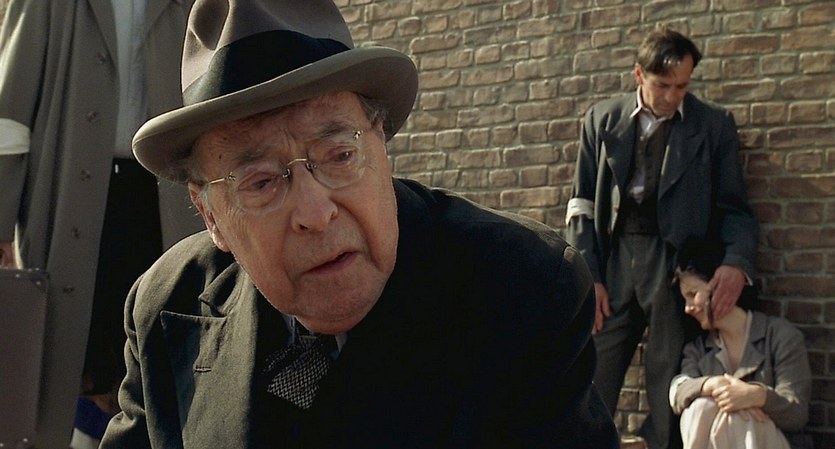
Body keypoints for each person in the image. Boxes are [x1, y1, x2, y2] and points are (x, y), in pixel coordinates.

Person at [97, 0, 619, 447]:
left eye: (340, 155)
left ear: (382, 141)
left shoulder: (524, 287)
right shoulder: (166, 305)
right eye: (261, 182)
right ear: (210, 214)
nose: (315, 213)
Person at [0, 1, 200, 447]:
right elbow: (9, 111)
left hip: (166, 197)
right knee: (74, 343)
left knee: (162, 335)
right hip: (69, 195)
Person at [564, 28, 758, 449]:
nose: (672, 96)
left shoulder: (713, 125)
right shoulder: (601, 119)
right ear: (639, 75)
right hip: (614, 261)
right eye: (663, 85)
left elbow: (734, 206)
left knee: (668, 374)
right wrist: (588, 275)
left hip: (675, 265)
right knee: (591, 368)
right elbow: (580, 204)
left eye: (682, 86)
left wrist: (735, 262)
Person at [670, 243, 813, 449]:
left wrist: (756, 396)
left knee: (737, 419)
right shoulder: (698, 349)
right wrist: (711, 385)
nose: (688, 308)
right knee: (701, 407)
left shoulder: (780, 336)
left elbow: (797, 413)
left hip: (772, 442)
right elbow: (678, 391)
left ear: (720, 287)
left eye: (693, 294)